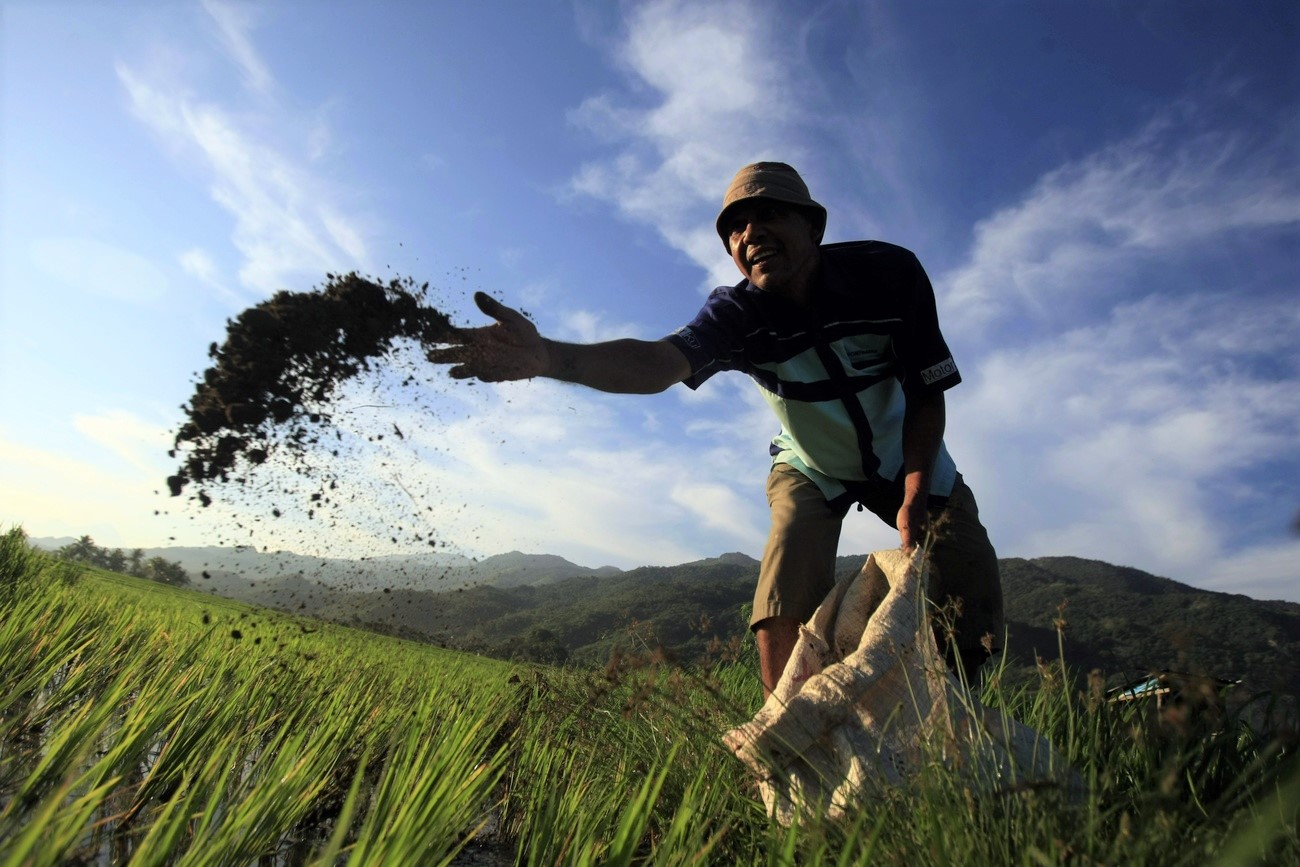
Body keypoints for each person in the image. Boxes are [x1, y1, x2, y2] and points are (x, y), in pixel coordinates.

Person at [428, 162, 1004, 696]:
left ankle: (962, 722)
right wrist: (550, 358)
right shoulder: (738, 313)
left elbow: (927, 391)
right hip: (811, 463)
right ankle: (787, 742)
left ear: (812, 226)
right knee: (784, 585)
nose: (749, 233)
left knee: (966, 582)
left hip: (908, 454)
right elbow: (658, 362)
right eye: (734, 228)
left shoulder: (889, 275)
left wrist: (913, 493)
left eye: (768, 215)